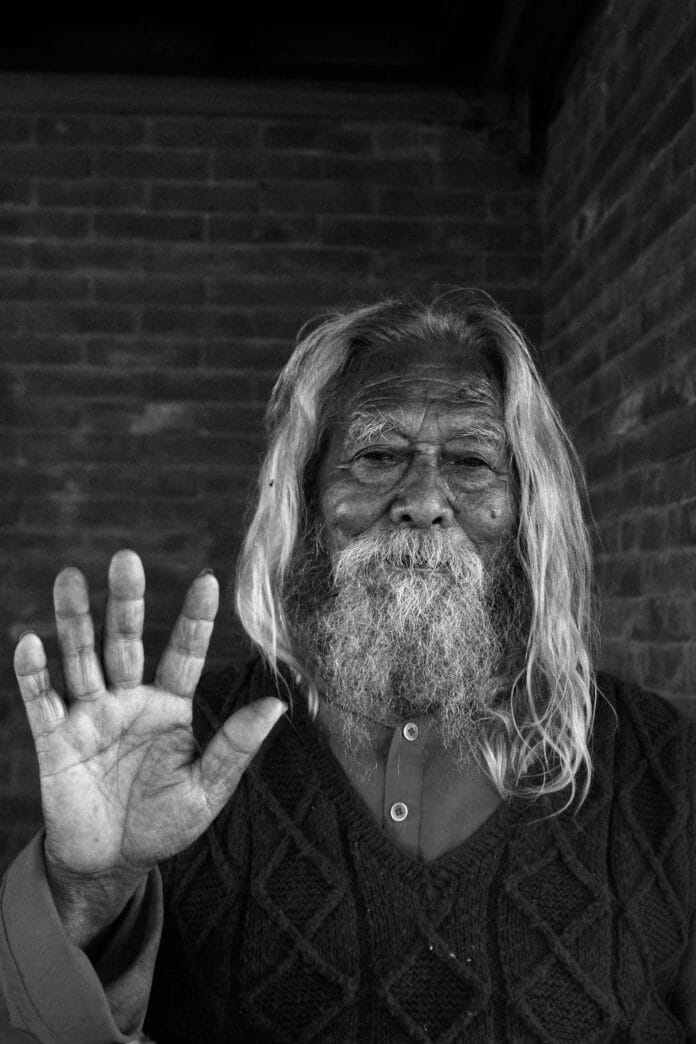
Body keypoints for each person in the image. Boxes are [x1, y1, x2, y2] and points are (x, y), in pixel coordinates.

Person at [0, 290, 694, 1043]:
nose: (425, 499)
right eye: (377, 456)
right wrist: (91, 885)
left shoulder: (660, 768)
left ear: (526, 508)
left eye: (470, 460)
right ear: (307, 497)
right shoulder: (185, 754)